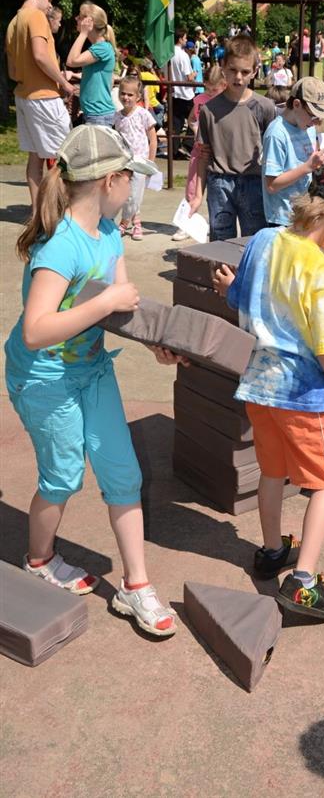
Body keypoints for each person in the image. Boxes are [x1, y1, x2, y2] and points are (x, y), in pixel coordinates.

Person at [4, 125, 182, 637]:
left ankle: (136, 585)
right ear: (110, 181)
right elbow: (36, 330)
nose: (134, 188)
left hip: (91, 370)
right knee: (62, 478)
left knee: (123, 473)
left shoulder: (108, 233)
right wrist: (105, 302)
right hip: (45, 377)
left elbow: (122, 307)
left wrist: (155, 343)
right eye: (131, 178)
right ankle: (40, 560)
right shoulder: (60, 247)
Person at [214, 163, 324, 619]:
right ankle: (303, 581)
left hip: (258, 386)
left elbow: (241, 297)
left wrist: (229, 287)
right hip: (304, 394)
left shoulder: (264, 239)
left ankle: (272, 550)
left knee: (272, 471)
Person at [188, 35, 275, 239]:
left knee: (253, 241)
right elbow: (203, 154)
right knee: (220, 242)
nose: (238, 77)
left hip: (254, 182)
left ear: (255, 71)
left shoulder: (265, 107)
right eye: (233, 70)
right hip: (219, 183)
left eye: (245, 72)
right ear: (223, 67)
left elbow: (273, 151)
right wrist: (198, 195)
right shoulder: (209, 110)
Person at [5, 0, 73, 209]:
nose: (50, 6)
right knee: (63, 158)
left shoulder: (13, 23)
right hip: (44, 97)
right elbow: (40, 55)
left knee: (35, 158)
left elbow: (13, 72)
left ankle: (38, 214)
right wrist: (64, 82)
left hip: (23, 96)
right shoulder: (36, 16)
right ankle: (60, 212)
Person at [262, 77, 324, 227]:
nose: (317, 122)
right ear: (296, 104)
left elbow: (309, 163)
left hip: (303, 214)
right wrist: (307, 167)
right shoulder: (276, 134)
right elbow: (272, 185)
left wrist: (320, 163)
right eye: (314, 115)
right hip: (283, 218)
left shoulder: (308, 127)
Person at [114, 77, 157, 240]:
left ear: (138, 96)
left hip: (140, 162)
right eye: (123, 93)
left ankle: (126, 222)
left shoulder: (143, 114)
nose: (126, 97)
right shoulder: (117, 116)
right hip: (124, 161)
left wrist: (150, 162)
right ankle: (135, 221)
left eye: (130, 95)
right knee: (125, 193)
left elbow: (153, 139)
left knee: (135, 194)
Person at [182, 66, 227, 216]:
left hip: (219, 151)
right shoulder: (200, 100)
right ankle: (189, 218)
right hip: (200, 148)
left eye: (214, 90)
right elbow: (191, 119)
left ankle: (219, 217)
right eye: (207, 88)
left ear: (224, 85)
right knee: (192, 185)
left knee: (219, 187)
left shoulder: (225, 102)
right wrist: (196, 131)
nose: (210, 93)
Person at [66, 2, 117, 127]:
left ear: (90, 22)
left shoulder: (102, 48)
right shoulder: (99, 48)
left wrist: (83, 33)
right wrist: (74, 75)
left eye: (80, 17)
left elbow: (71, 61)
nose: (76, 19)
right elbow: (94, 75)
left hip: (98, 115)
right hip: (95, 114)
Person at [170, 29, 196, 158]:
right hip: (185, 93)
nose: (186, 40)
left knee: (176, 123)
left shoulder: (169, 54)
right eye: (185, 38)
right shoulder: (183, 55)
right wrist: (195, 74)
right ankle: (187, 145)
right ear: (180, 39)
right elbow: (188, 77)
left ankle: (174, 150)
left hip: (174, 93)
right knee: (195, 118)